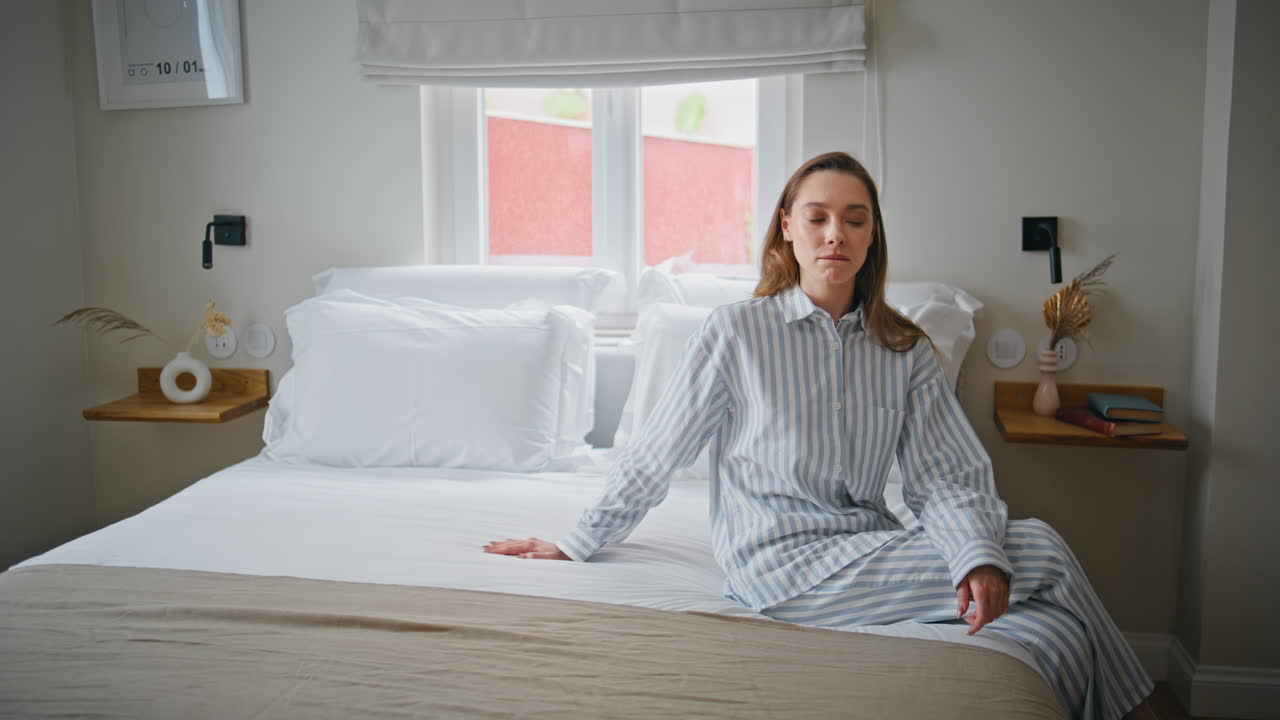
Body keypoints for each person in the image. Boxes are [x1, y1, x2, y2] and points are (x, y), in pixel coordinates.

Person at [485, 151, 1157, 720]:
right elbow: (658, 452)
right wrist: (578, 542)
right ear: (788, 229)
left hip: (869, 545)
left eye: (854, 220)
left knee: (1048, 625)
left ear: (871, 238)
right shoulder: (735, 334)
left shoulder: (905, 349)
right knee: (1039, 546)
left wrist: (976, 555)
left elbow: (946, 478)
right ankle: (1145, 708)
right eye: (818, 217)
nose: (836, 233)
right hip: (777, 565)